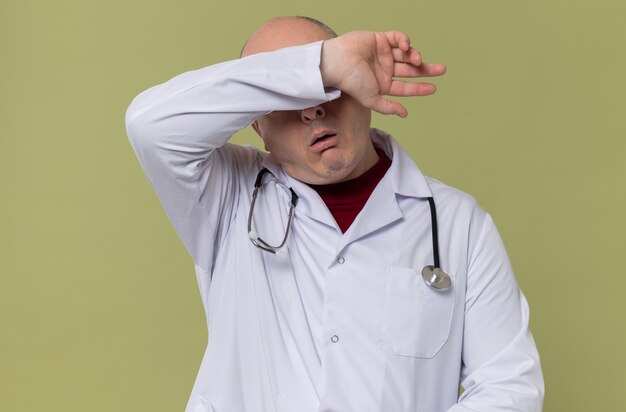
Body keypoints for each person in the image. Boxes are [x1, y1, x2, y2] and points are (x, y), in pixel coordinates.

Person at [125, 16, 544, 412]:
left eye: (329, 88)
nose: (312, 109)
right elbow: (150, 125)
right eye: (287, 96)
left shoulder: (457, 223)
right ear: (256, 126)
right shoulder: (224, 193)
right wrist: (319, 67)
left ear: (360, 91)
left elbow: (509, 387)